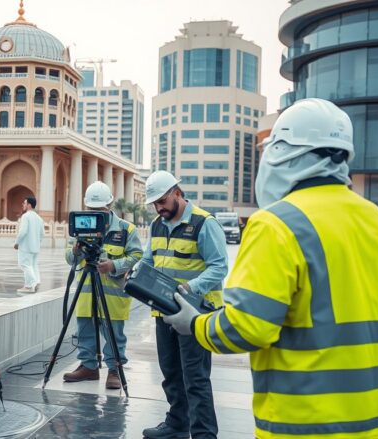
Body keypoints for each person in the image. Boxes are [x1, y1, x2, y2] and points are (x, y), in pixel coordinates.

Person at [163, 98, 378, 438]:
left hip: (310, 423)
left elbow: (248, 327)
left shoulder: (276, 224)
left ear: (282, 152)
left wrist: (194, 324)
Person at [140, 171, 228, 439]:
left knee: (196, 378)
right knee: (171, 374)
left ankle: (203, 434)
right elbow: (148, 261)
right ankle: (177, 425)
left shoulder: (204, 223)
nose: (159, 207)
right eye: (155, 203)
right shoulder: (157, 224)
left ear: (177, 192)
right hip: (163, 312)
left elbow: (220, 266)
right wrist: (134, 275)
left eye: (163, 201)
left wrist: (192, 287)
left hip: (195, 314)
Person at [63, 181, 142, 389]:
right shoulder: (80, 225)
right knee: (85, 331)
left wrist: (114, 265)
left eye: (100, 210)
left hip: (113, 296)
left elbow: (136, 255)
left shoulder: (126, 229)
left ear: (110, 205)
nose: (95, 214)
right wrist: (76, 250)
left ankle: (115, 369)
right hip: (86, 294)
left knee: (114, 334)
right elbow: (69, 258)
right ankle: (88, 366)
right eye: (92, 210)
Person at [14, 196, 44, 293]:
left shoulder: (26, 216)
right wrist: (37, 243)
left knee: (25, 265)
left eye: (24, 203)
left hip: (26, 246)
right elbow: (42, 234)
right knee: (33, 265)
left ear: (29, 205)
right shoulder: (39, 218)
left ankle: (30, 285)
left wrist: (17, 242)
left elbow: (23, 231)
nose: (23, 205)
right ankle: (37, 281)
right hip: (35, 246)